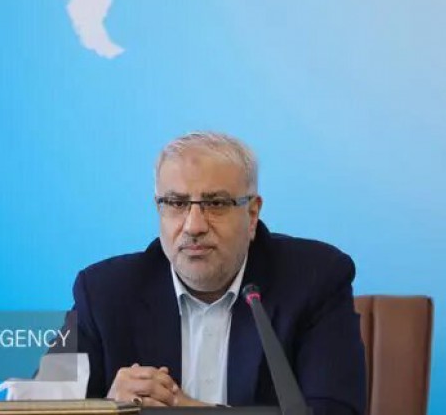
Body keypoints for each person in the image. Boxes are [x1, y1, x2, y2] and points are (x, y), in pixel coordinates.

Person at [58, 132, 366, 414]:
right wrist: (105, 409)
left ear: (252, 214)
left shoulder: (314, 279)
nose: (194, 226)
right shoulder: (103, 292)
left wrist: (188, 409)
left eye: (216, 203)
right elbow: (44, 405)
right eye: (176, 203)